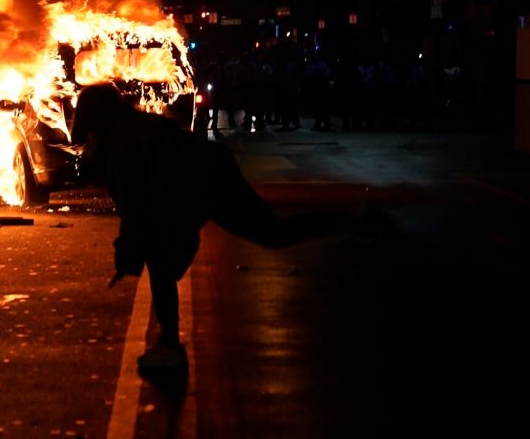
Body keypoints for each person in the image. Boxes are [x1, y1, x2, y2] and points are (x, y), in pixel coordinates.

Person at [70, 82, 384, 376]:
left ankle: (170, 347)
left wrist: (127, 253)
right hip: (207, 173)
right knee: (272, 233)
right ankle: (353, 219)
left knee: (162, 262)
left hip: (199, 183)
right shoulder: (134, 128)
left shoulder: (121, 147)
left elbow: (137, 208)